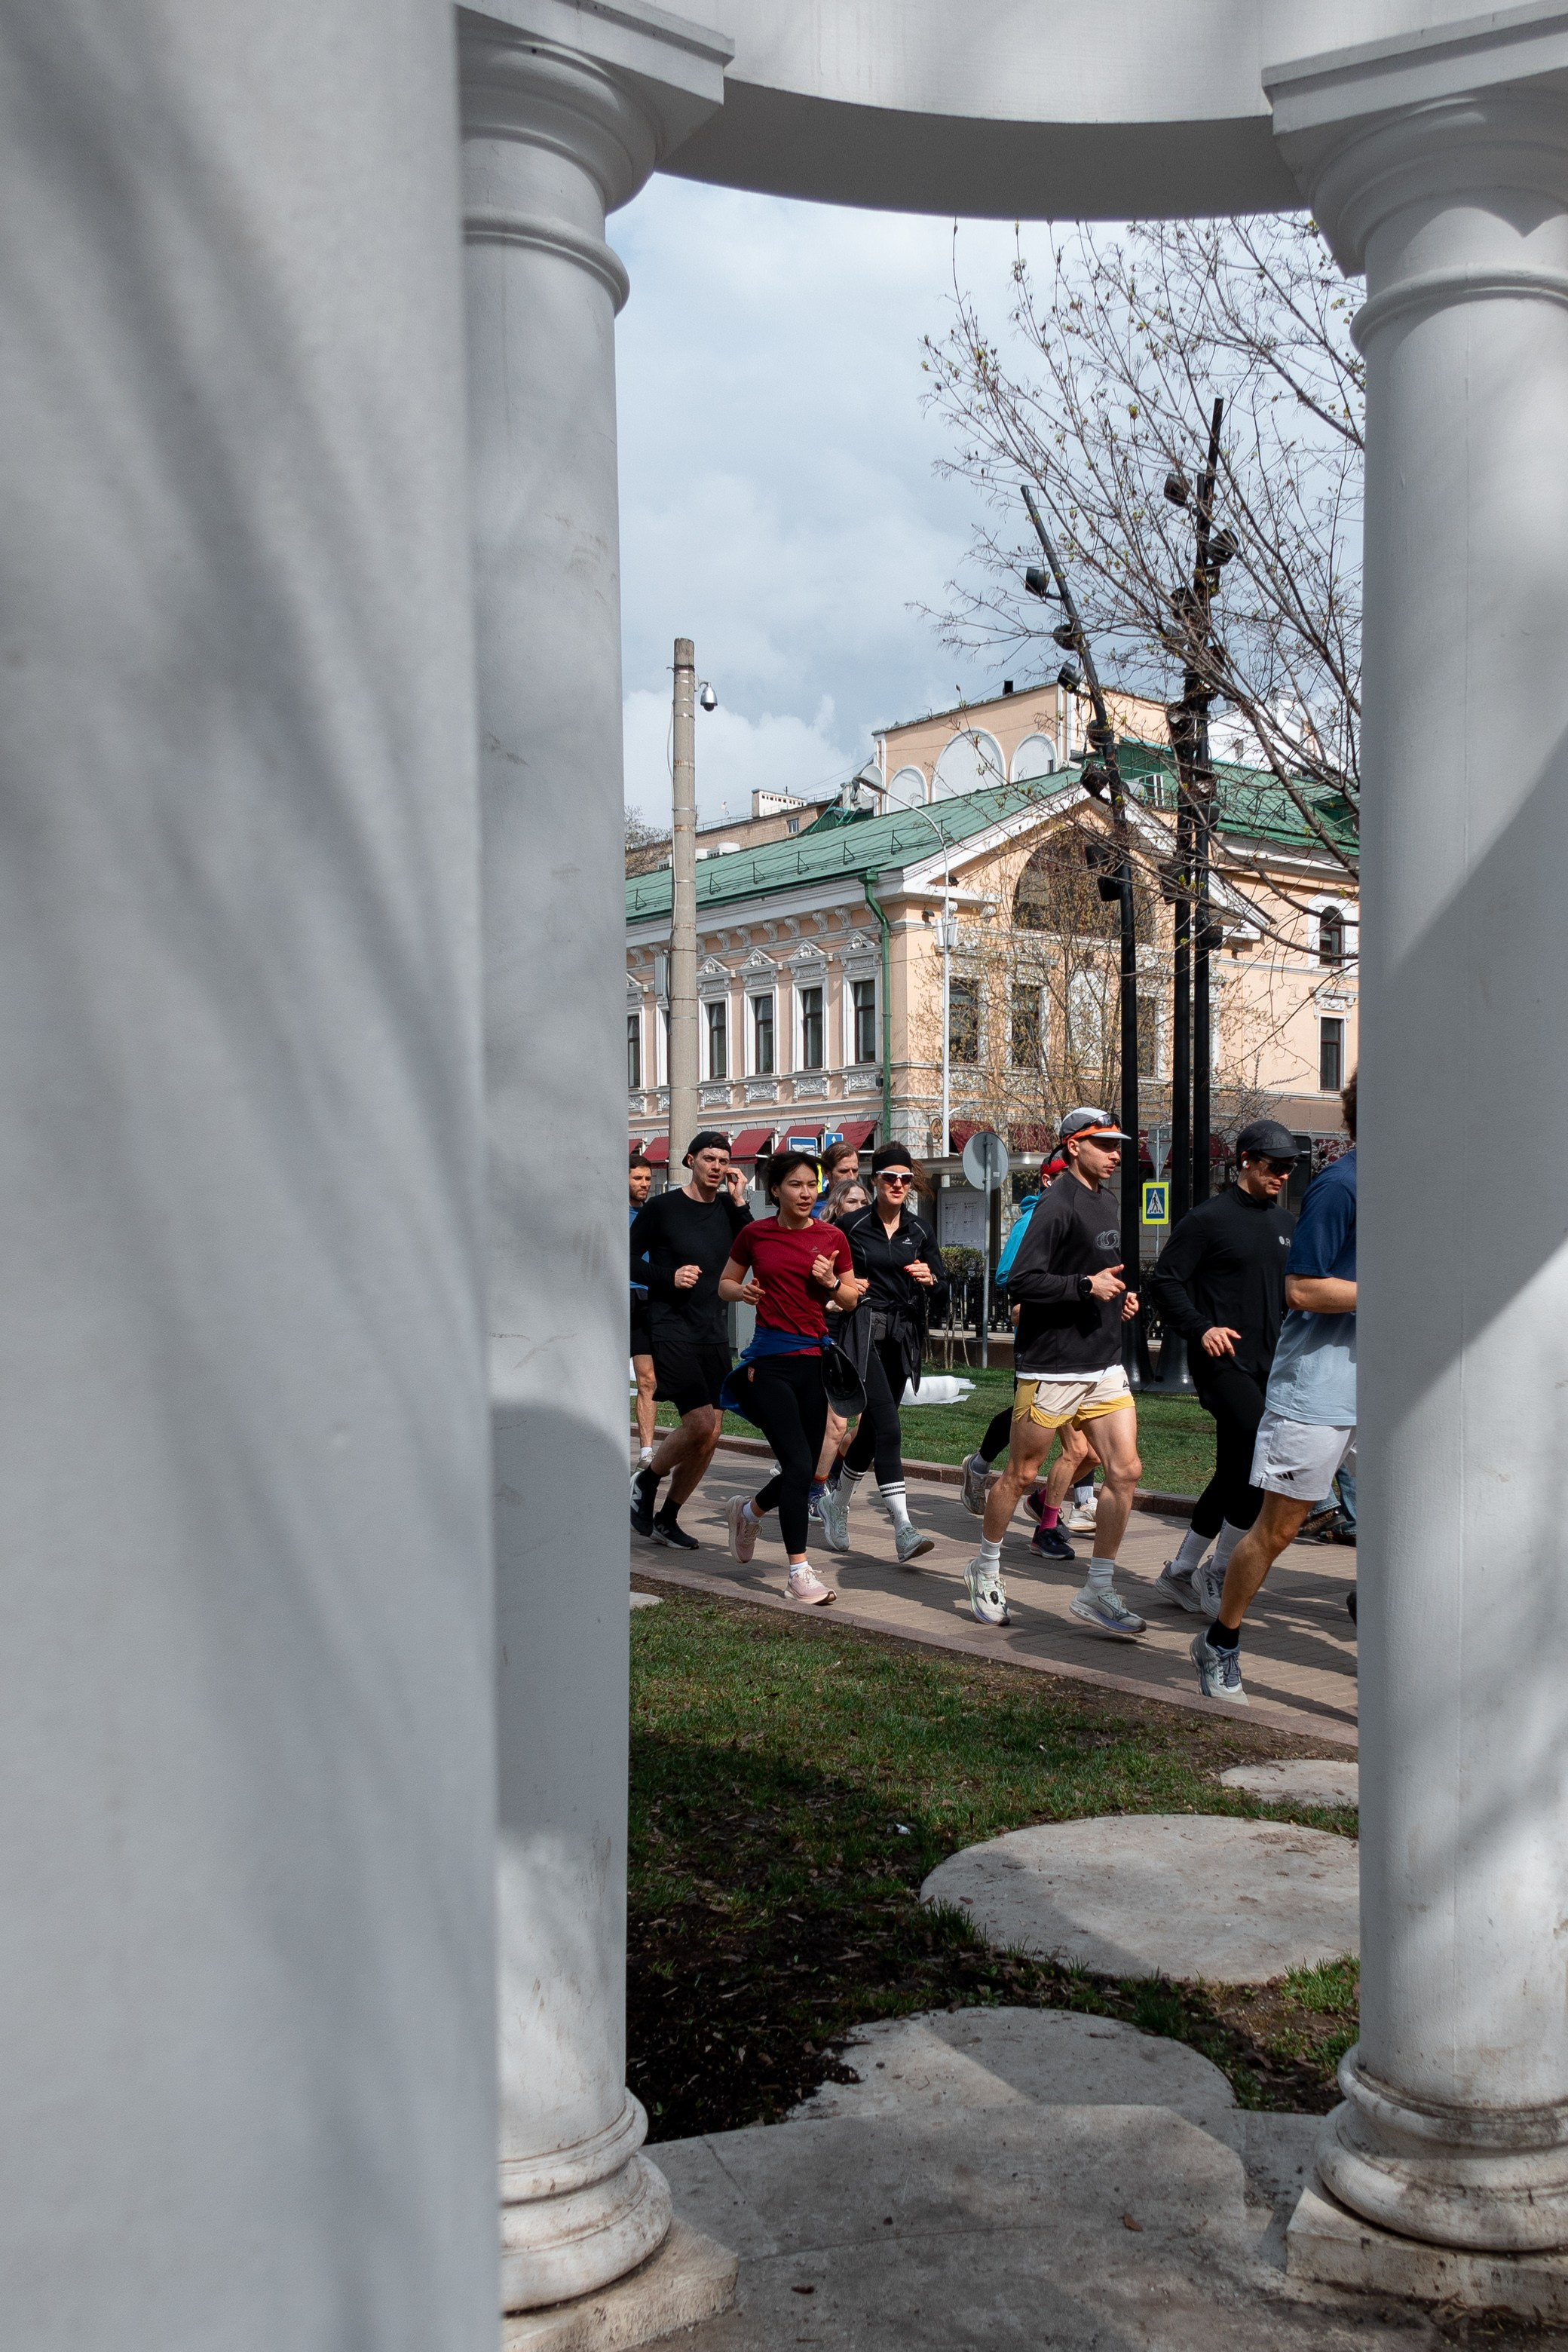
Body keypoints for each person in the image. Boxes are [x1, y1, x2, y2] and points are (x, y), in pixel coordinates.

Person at [1191, 1074, 1358, 1702]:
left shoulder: (1419, 1186)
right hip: (1319, 1385)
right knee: (1279, 1530)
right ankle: (1221, 1639)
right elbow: (1304, 1290)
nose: (1284, 1174)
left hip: (1391, 1385)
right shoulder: (1341, 1187)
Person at [965, 1109, 1145, 1634]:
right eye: (1105, 1144)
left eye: (1118, 1145)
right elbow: (1021, 1282)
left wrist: (1119, 1301)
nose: (1116, 1153)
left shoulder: (1108, 1200)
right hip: (1053, 1366)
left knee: (1125, 1471)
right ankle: (986, 1567)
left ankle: (1098, 1588)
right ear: (1073, 1148)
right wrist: (1087, 1289)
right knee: (1022, 1474)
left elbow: (1101, 1275)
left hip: (1104, 1363)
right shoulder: (1056, 1204)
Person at [1146, 1119, 1300, 1615]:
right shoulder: (1207, 1220)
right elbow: (1165, 1282)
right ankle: (1220, 1572)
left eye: (1290, 1168)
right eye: (1275, 1166)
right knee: (1260, 1448)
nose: (1283, 1176)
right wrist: (1202, 1328)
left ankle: (1181, 1572)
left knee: (1239, 1472)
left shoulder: (1284, 1226)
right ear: (1246, 1161)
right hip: (1222, 1362)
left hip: (1269, 1364)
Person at [716, 1150, 864, 1603]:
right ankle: (798, 1571)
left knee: (805, 1470)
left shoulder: (832, 1235)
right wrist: (742, 1291)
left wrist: (831, 1284)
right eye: (796, 1185)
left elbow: (852, 1298)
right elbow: (725, 1282)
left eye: (811, 1185)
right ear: (775, 1189)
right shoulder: (754, 1234)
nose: (805, 1193)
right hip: (769, 1361)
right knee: (800, 1465)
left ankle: (749, 1510)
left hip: (814, 1363)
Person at [628, 1130, 752, 1550]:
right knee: (698, 1422)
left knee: (712, 1432)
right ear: (690, 1161)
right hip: (670, 1325)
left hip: (713, 1331)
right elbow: (622, 1255)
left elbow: (757, 1250)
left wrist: (740, 1203)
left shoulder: (728, 1210)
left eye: (724, 1160)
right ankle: (646, 1480)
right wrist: (669, 1277)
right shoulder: (662, 1208)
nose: (717, 1167)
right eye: (709, 1159)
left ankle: (668, 1517)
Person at [816, 1146, 940, 1563]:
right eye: (891, 1178)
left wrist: (930, 1278)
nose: (899, 1185)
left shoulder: (919, 1231)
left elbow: (940, 1282)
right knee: (888, 1426)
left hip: (901, 1337)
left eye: (906, 1179)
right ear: (875, 1181)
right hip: (862, 1333)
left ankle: (836, 1502)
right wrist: (840, 1284)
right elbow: (825, 1276)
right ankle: (903, 1527)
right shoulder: (851, 1226)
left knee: (870, 1431)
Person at [809, 1174, 871, 1520]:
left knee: (866, 1425)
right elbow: (812, 1299)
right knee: (837, 1422)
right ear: (837, 1208)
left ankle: (830, 1478)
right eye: (852, 1202)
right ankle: (815, 1490)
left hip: (862, 1335)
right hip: (830, 1333)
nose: (860, 1209)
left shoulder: (875, 1243)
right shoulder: (827, 1241)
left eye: (864, 1202)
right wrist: (839, 1296)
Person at [628, 1153, 657, 1470]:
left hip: (646, 1298)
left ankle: (646, 1452)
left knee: (647, 1378)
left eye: (648, 1179)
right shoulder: (610, 1212)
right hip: (611, 1300)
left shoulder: (654, 1214)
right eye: (638, 1178)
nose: (644, 1185)